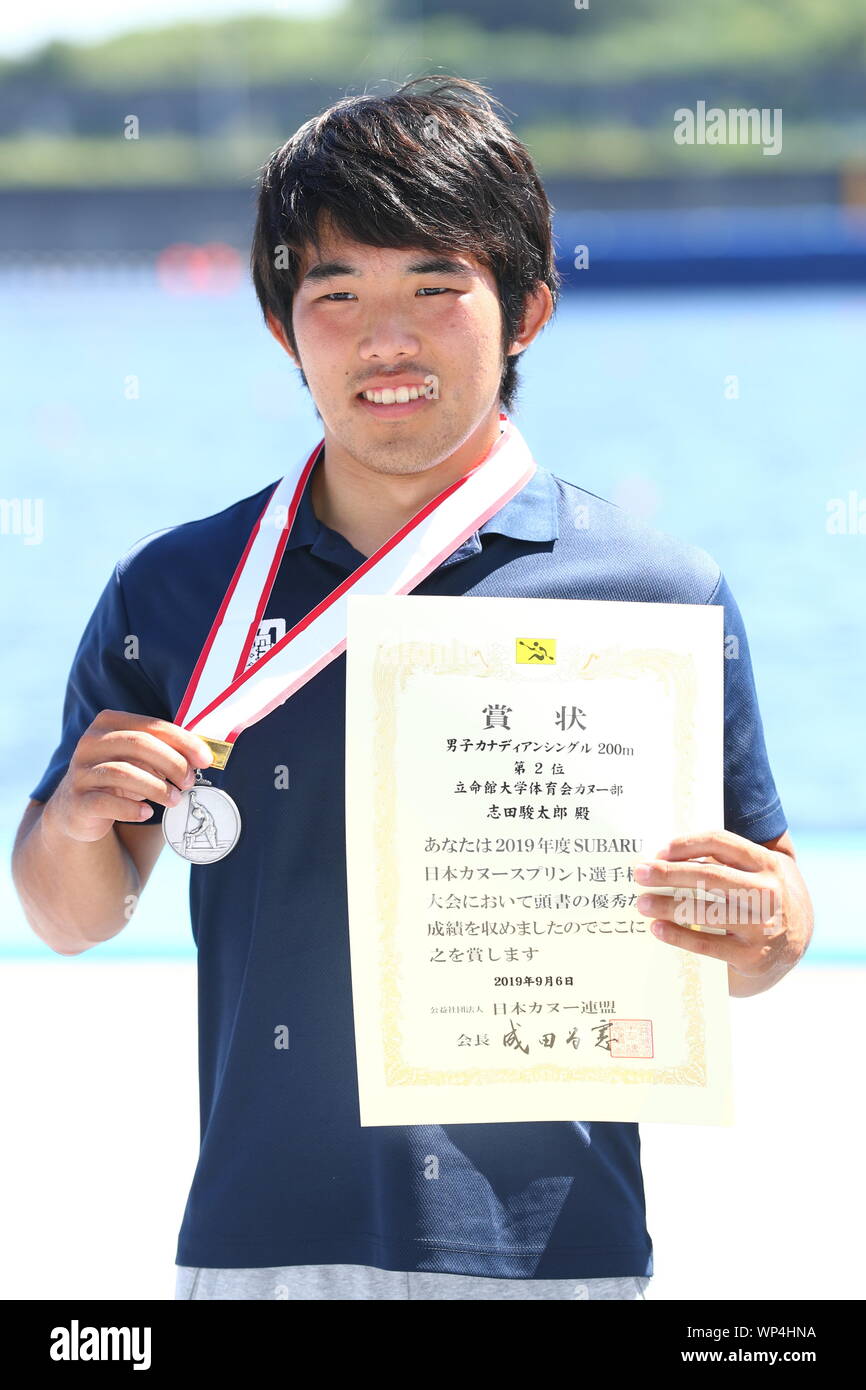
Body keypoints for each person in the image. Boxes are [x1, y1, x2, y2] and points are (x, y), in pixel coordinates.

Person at [12, 76, 813, 1302]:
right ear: (284, 328)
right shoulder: (181, 588)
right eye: (335, 293)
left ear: (527, 307)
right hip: (256, 1237)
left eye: (435, 287)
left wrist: (765, 928)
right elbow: (70, 916)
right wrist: (73, 819)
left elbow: (761, 928)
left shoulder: (654, 590)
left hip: (559, 1251)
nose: (384, 338)